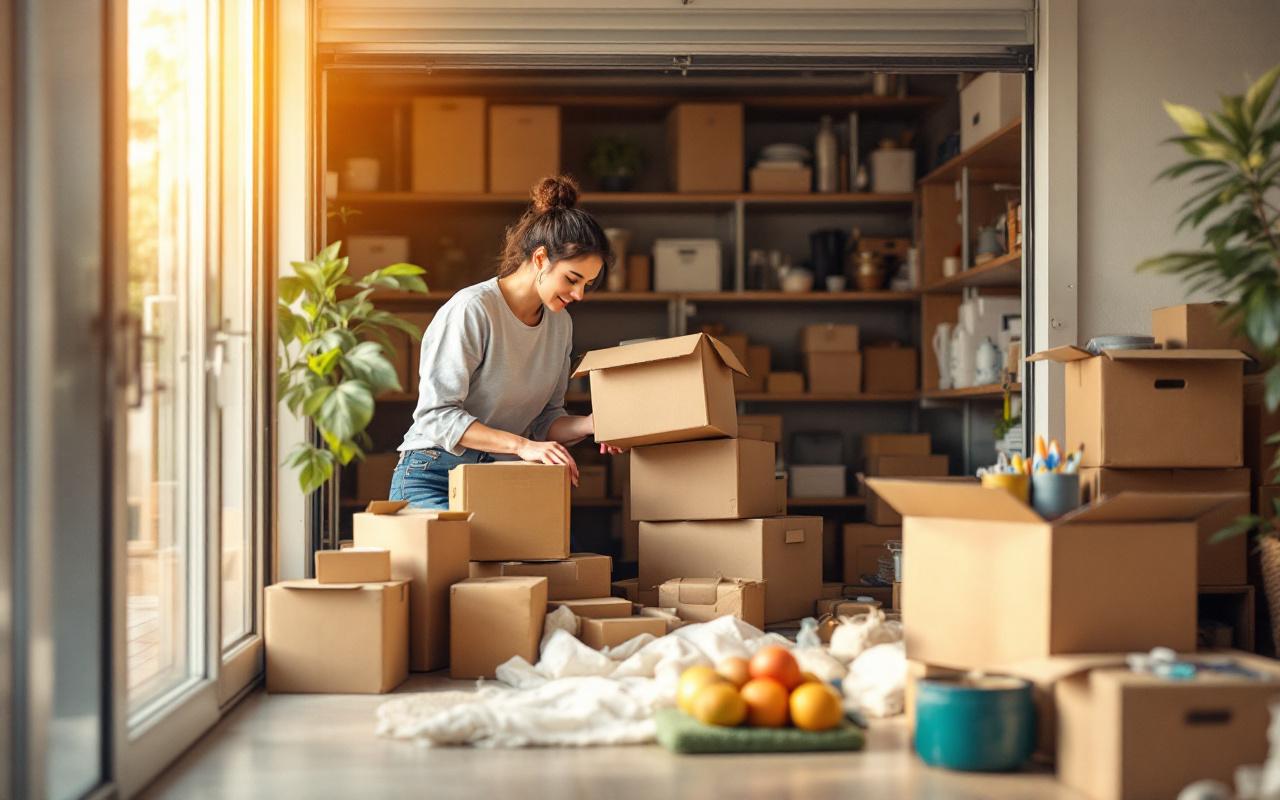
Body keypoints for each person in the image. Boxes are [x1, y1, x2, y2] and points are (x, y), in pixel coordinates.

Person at [390, 175, 621, 509]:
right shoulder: (473, 308)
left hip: (499, 478)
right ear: (541, 259)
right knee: (458, 557)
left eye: (587, 284)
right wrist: (523, 447)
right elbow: (436, 415)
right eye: (572, 279)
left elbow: (544, 420)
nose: (579, 294)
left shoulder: (560, 324)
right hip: (433, 475)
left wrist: (591, 425)